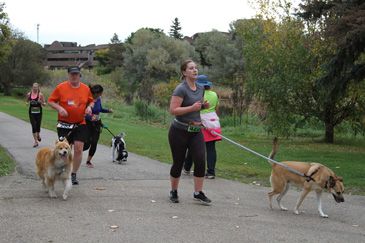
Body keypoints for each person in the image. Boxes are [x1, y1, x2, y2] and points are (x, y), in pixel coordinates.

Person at [168, 59, 211, 205]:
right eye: (191, 68)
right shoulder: (181, 89)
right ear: (184, 72)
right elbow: (173, 110)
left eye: (196, 68)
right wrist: (192, 108)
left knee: (200, 160)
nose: (195, 70)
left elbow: (196, 107)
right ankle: (173, 191)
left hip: (196, 131)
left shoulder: (201, 88)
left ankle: (198, 192)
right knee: (178, 163)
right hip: (179, 131)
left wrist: (203, 107)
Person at [48, 66, 94, 185]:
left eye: (76, 74)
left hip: (80, 123)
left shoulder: (85, 89)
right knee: (65, 149)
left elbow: (91, 101)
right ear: (68, 75)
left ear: (79, 75)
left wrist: (89, 107)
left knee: (78, 148)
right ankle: (63, 170)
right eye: (72, 74)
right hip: (64, 124)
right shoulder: (61, 87)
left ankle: (73, 174)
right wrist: (59, 108)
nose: (74, 76)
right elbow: (51, 101)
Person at [183, 75, 221, 179]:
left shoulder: (198, 94)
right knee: (211, 148)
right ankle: (211, 172)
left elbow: (194, 108)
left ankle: (186, 167)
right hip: (213, 122)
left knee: (191, 145)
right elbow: (217, 109)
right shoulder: (214, 94)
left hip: (198, 121)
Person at [84, 84, 112, 168]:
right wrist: (90, 117)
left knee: (94, 142)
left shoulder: (99, 99)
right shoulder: (87, 99)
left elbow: (100, 109)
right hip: (87, 123)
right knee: (86, 144)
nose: (101, 95)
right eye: (101, 93)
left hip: (96, 123)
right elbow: (82, 111)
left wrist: (108, 111)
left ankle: (88, 161)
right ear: (96, 93)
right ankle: (75, 151)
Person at [26, 82, 46, 147]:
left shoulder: (40, 95)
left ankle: (38, 135)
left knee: (38, 125)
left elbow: (44, 104)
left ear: (38, 88)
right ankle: (35, 141)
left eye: (36, 87)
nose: (35, 88)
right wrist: (27, 103)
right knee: (33, 126)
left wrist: (41, 102)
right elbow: (27, 101)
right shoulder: (29, 94)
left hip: (39, 112)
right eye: (34, 87)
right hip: (31, 112)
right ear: (32, 87)